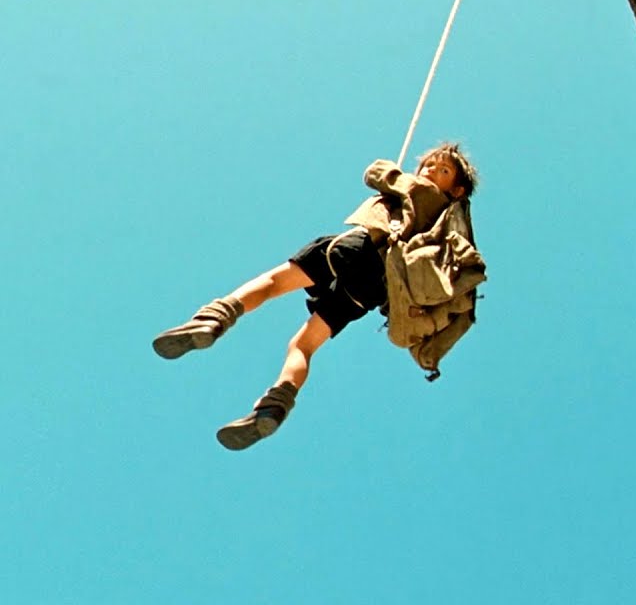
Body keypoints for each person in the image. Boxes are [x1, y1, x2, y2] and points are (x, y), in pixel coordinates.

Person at [153, 143, 479, 450]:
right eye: (428, 164)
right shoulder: (446, 230)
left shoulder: (422, 191)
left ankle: (213, 319)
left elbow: (375, 172)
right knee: (303, 345)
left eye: (443, 169)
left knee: (272, 283)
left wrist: (393, 173)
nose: (430, 169)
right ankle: (276, 404)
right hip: (375, 288)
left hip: (357, 251)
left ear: (457, 191)